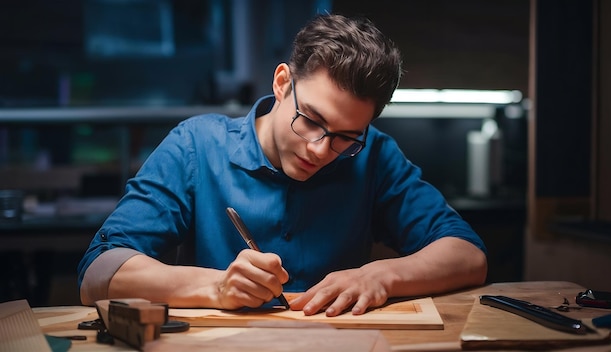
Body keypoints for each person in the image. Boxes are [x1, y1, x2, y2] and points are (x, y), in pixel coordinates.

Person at [77, 13, 487, 317]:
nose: (321, 150)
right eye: (310, 120)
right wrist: (217, 287)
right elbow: (99, 272)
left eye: (346, 137)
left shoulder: (375, 155)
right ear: (282, 83)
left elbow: (468, 256)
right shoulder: (196, 146)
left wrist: (381, 275)